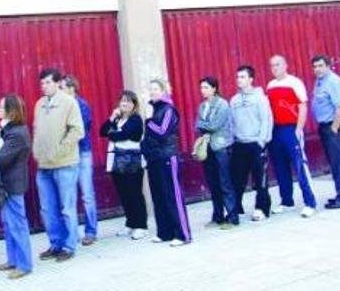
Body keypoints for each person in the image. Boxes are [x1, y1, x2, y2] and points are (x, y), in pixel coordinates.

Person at [32, 68, 85, 262]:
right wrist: (37, 151)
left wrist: (61, 149)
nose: (44, 86)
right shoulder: (39, 104)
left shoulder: (69, 103)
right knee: (47, 208)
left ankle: (69, 246)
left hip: (65, 164)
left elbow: (78, 131)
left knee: (67, 208)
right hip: (44, 166)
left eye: (48, 82)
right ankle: (55, 244)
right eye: (42, 83)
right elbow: (37, 131)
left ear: (57, 83)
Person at [0, 94, 33, 280]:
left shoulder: (17, 134)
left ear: (11, 112)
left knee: (17, 224)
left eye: (1, 106)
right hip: (6, 184)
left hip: (13, 185)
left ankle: (24, 264)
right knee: (8, 224)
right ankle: (13, 259)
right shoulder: (9, 130)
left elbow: (0, 160)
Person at [142, 79, 192, 246]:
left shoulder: (169, 109)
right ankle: (164, 232)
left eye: (155, 89)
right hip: (155, 158)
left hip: (168, 157)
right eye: (150, 90)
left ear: (163, 91)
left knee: (172, 196)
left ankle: (183, 234)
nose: (152, 92)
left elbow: (162, 132)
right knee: (159, 196)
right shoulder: (155, 110)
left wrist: (148, 122)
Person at [266, 56, 317, 218]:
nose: (275, 68)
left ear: (285, 65)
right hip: (276, 131)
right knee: (280, 166)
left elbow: (303, 106)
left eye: (277, 64)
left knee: (299, 164)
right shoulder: (270, 85)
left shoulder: (295, 82)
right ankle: (287, 201)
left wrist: (298, 129)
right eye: (272, 65)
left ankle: (310, 202)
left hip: (291, 129)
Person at [100, 90, 148, 240]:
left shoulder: (136, 119)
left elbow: (123, 135)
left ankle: (141, 225)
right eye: (122, 101)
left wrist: (112, 134)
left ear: (134, 104)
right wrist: (112, 118)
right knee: (124, 194)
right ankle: (130, 223)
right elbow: (102, 131)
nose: (124, 104)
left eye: (128, 101)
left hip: (132, 162)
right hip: (116, 162)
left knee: (135, 194)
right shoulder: (117, 119)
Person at [229, 66, 273, 222]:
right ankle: (236, 207)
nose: (239, 80)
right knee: (238, 178)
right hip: (239, 144)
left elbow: (266, 120)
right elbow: (231, 122)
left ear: (250, 79)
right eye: (238, 77)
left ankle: (261, 208)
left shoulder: (260, 98)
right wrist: (233, 139)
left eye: (242, 77)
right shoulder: (234, 100)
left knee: (260, 178)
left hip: (255, 143)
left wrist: (262, 141)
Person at [311, 55, 340, 209]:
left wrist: (334, 128)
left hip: (334, 125)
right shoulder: (320, 82)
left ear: (328, 66)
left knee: (339, 162)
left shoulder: (333, 81)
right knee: (336, 162)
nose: (317, 69)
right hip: (325, 125)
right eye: (315, 66)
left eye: (320, 65)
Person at [195, 76, 239, 228]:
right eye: (202, 87)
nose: (203, 90)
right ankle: (218, 216)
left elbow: (215, 125)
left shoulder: (222, 104)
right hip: (207, 147)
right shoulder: (202, 106)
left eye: (206, 87)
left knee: (225, 182)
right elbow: (197, 125)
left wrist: (204, 125)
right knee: (213, 183)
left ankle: (233, 216)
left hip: (221, 146)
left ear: (214, 88)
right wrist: (203, 125)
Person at [61, 75, 98, 246]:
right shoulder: (61, 106)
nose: (60, 90)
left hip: (82, 154)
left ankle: (91, 231)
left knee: (87, 195)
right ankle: (72, 234)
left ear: (71, 88)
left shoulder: (81, 105)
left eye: (62, 87)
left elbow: (79, 130)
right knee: (69, 196)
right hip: (68, 156)